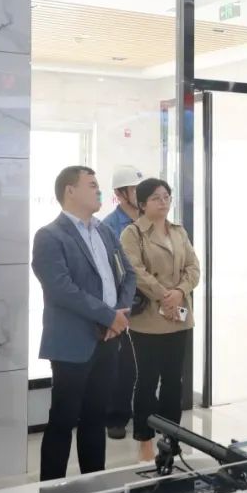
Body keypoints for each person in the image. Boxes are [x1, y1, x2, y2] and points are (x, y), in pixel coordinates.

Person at [32, 166, 136, 480]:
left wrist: (119, 315)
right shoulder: (50, 236)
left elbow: (128, 274)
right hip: (72, 342)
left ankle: (95, 484)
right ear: (70, 191)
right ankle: (51, 490)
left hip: (109, 339)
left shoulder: (104, 231)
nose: (99, 191)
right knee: (63, 420)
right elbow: (61, 289)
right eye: (91, 185)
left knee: (95, 418)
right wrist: (109, 316)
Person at [120, 178, 199, 462]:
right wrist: (165, 295)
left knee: (174, 382)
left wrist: (179, 292)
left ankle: (171, 438)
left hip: (179, 316)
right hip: (148, 320)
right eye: (156, 197)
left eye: (166, 196)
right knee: (147, 380)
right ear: (142, 203)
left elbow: (193, 267)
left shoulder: (178, 231)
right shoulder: (132, 233)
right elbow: (135, 271)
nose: (163, 201)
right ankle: (144, 439)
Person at [102, 165, 144, 440]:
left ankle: (146, 414)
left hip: (149, 302)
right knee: (123, 366)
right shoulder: (109, 226)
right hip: (123, 303)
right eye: (135, 189)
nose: (140, 194)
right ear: (120, 193)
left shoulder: (151, 221)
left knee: (147, 364)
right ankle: (116, 417)